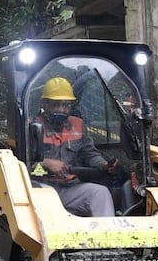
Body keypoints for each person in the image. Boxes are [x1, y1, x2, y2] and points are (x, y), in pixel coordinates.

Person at [31, 77, 116, 217]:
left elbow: (90, 154)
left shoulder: (78, 125)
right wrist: (46, 163)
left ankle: (110, 236)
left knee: (100, 193)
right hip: (41, 188)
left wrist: (104, 165)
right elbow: (20, 164)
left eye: (66, 105)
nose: (61, 110)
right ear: (44, 104)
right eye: (55, 104)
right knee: (46, 199)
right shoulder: (31, 128)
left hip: (70, 188)